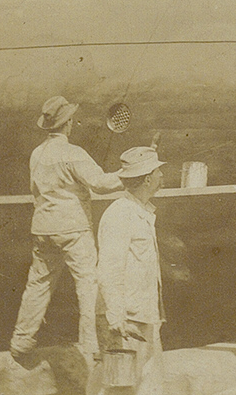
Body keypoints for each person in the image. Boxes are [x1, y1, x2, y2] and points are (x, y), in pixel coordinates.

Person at [10, 96, 123, 362]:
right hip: (73, 229)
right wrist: (128, 173)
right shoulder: (73, 153)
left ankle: (21, 341)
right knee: (87, 284)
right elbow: (100, 183)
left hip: (43, 228)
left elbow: (34, 190)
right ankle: (90, 346)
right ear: (69, 123)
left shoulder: (37, 154)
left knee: (38, 284)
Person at [96, 146, 167, 394]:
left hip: (144, 317)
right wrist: (116, 318)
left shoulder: (140, 212)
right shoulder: (120, 213)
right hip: (127, 321)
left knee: (148, 387)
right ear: (147, 178)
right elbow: (108, 269)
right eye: (158, 170)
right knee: (121, 389)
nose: (161, 175)